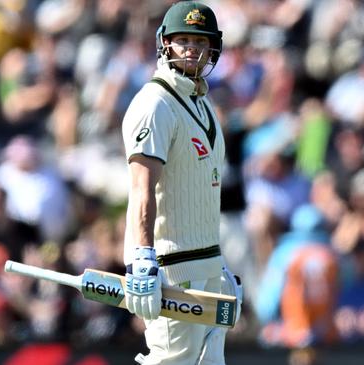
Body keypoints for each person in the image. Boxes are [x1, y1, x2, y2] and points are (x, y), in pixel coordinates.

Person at [120, 2, 241, 364]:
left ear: (212, 48)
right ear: (165, 44)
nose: (191, 49)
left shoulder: (203, 105)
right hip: (170, 265)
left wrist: (218, 266)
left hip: (206, 262)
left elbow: (202, 190)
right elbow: (143, 187)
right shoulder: (155, 103)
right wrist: (143, 258)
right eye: (182, 40)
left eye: (199, 41)